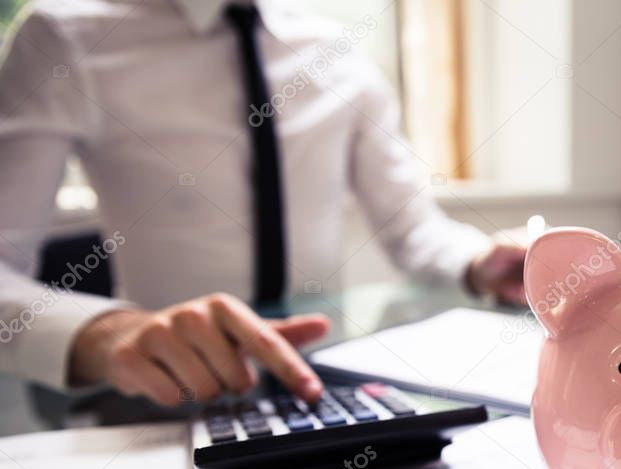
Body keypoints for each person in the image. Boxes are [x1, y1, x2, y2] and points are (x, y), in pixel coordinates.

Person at [0, 0, 526, 407]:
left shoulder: (337, 45)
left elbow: (413, 229)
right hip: (162, 404)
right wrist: (111, 335)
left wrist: (480, 263)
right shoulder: (66, 37)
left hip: (325, 387)